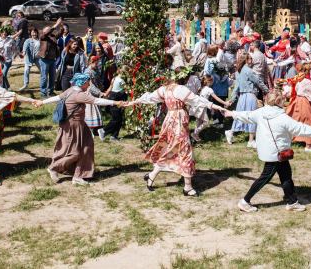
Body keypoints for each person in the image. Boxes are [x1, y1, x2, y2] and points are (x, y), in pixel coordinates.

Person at [228, 89, 311, 213]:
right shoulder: (282, 117)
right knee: (265, 177)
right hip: (275, 154)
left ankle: (292, 202)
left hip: (273, 151)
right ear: (278, 102)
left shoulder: (261, 112)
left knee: (286, 176)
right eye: (284, 98)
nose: (285, 99)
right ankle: (245, 201)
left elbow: (247, 116)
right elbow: (301, 128)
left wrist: (232, 114)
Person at [126, 68, 225, 196]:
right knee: (185, 152)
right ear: (184, 77)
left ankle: (152, 176)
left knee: (172, 149)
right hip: (178, 123)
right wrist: (215, 106)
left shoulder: (166, 88)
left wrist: (134, 101)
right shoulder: (180, 89)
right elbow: (196, 100)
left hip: (170, 122)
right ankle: (187, 187)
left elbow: (150, 97)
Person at [38, 73, 121, 185]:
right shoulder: (79, 95)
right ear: (82, 84)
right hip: (72, 127)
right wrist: (115, 102)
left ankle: (79, 175)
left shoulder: (71, 90)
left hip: (81, 126)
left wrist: (42, 102)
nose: (88, 86)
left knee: (86, 149)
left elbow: (58, 97)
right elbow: (97, 101)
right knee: (74, 152)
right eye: (87, 84)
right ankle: (54, 168)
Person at [226, 55, 268, 147]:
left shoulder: (239, 72)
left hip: (242, 97)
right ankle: (251, 141)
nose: (252, 60)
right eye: (250, 58)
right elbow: (259, 82)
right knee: (252, 117)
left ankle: (231, 132)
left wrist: (232, 99)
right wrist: (269, 91)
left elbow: (236, 87)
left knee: (239, 116)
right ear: (246, 60)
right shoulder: (249, 71)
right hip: (251, 96)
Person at [38, 19, 63, 97]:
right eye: (47, 30)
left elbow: (60, 34)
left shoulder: (53, 37)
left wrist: (61, 26)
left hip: (52, 60)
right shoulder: (43, 37)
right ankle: (43, 92)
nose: (49, 31)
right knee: (44, 77)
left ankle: (50, 91)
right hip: (44, 59)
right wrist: (56, 24)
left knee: (52, 77)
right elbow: (49, 32)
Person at [103, 66, 129, 142]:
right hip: (116, 100)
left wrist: (106, 95)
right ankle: (104, 130)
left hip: (112, 99)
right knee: (116, 119)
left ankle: (114, 135)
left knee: (119, 119)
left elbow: (110, 88)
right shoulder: (122, 81)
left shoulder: (114, 79)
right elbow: (127, 90)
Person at [20, 27, 40, 92]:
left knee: (43, 70)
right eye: (33, 32)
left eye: (35, 32)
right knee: (26, 71)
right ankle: (25, 85)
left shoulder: (40, 40)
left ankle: (45, 83)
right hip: (29, 58)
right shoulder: (28, 40)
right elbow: (25, 47)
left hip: (38, 58)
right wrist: (23, 53)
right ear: (30, 33)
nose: (34, 33)